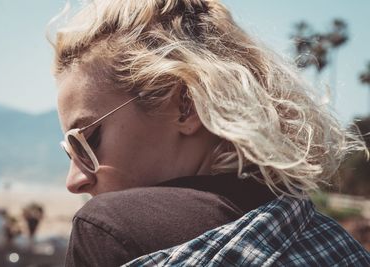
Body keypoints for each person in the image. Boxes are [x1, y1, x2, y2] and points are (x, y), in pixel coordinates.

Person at [49, 0, 370, 266]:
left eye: (87, 140)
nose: (74, 180)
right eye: (70, 152)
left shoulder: (109, 230)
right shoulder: (336, 242)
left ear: (186, 105)